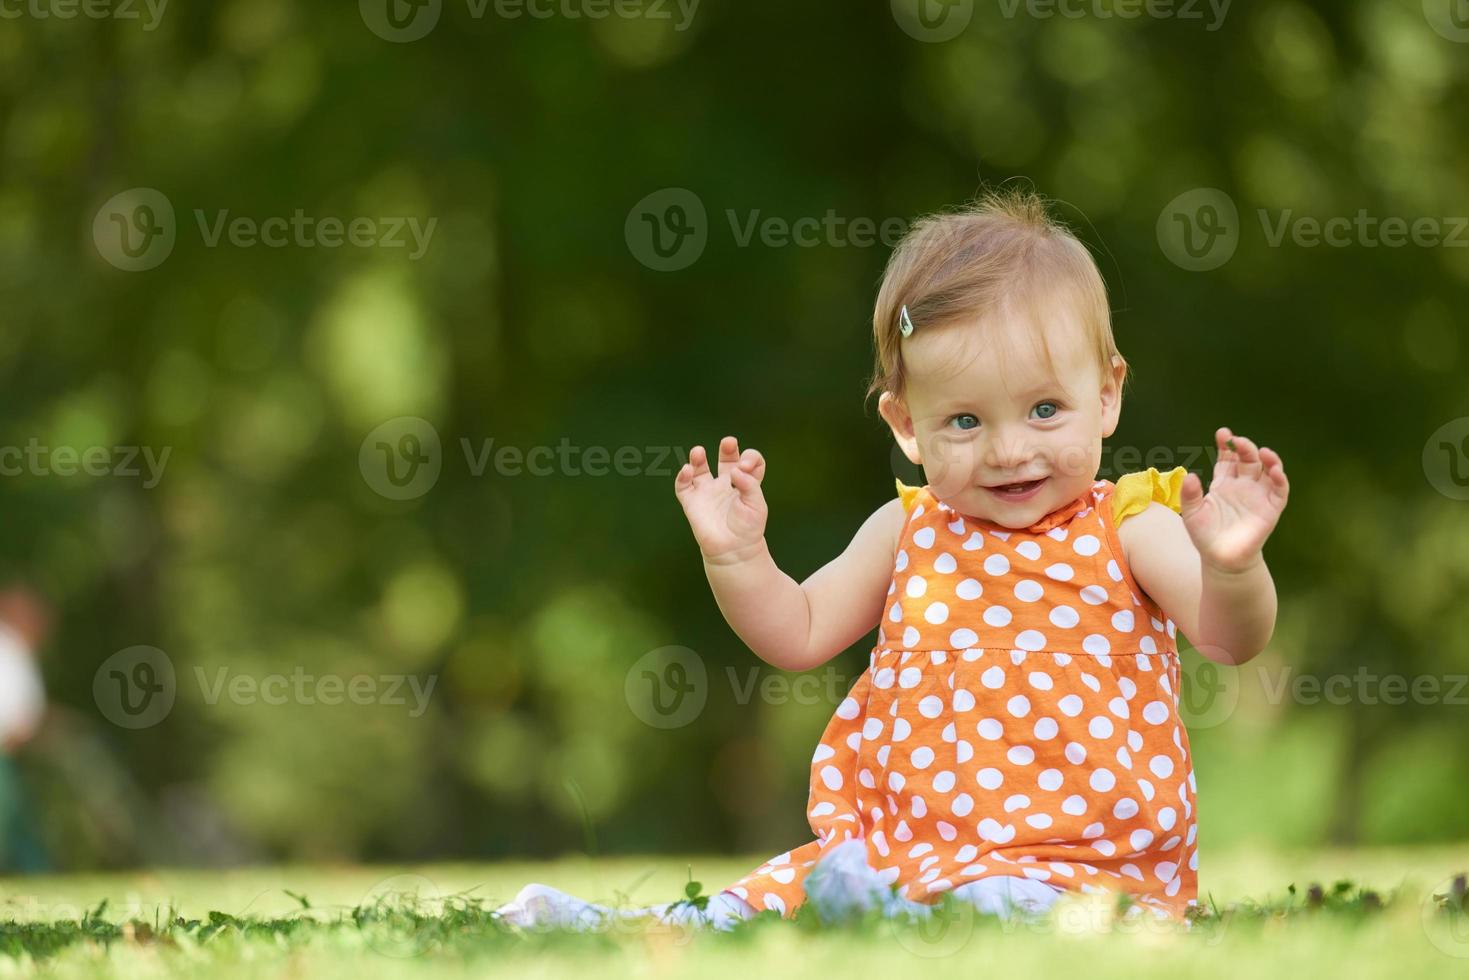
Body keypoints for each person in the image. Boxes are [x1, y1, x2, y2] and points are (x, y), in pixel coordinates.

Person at [496, 186, 1289, 932]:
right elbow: (798, 633)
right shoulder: (907, 530)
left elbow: (1229, 638)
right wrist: (737, 556)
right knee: (780, 893)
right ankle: (645, 930)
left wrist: (1230, 566)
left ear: (1106, 395)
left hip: (1081, 871)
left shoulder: (1128, 526)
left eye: (1045, 409)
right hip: (902, 848)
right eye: (965, 421)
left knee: (982, 904)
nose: (1009, 450)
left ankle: (885, 902)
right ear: (907, 424)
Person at [0, 586, 52, 872]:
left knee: (18, 821)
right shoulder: (9, 648)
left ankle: (39, 871)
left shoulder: (14, 647)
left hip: (8, 754)